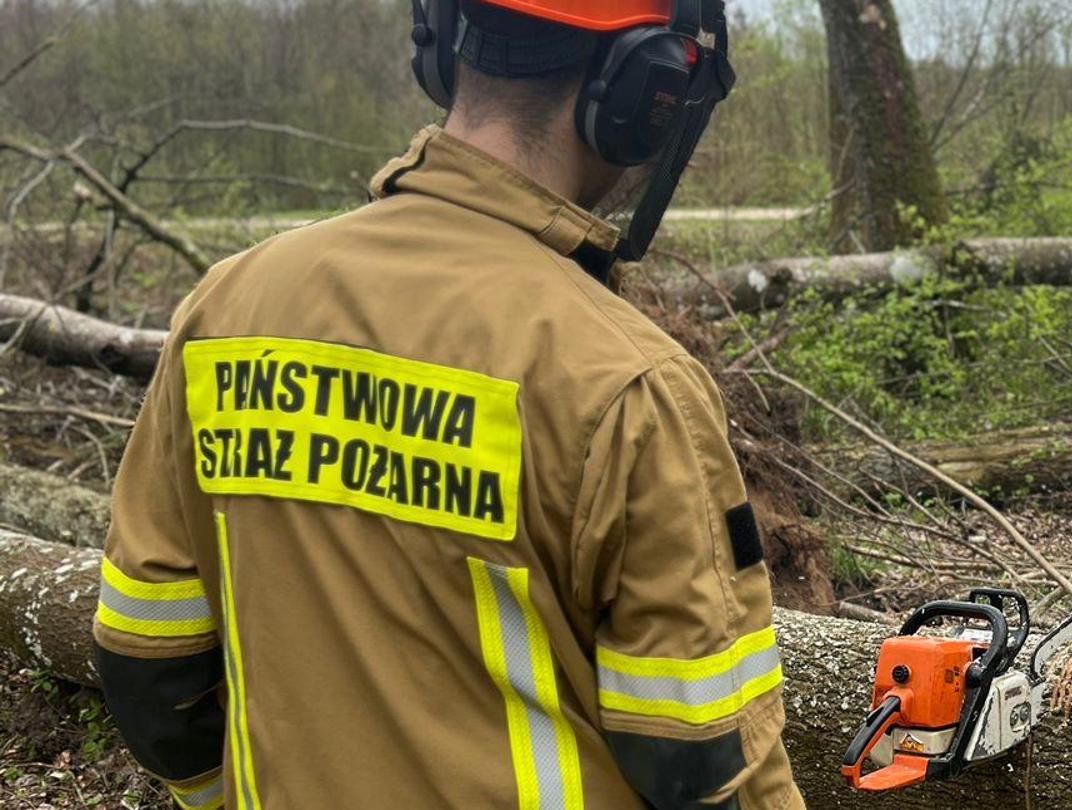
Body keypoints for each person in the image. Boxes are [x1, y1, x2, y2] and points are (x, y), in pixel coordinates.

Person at [90, 1, 804, 807]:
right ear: (645, 91)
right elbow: (704, 763)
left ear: (439, 45)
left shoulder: (225, 312)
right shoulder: (629, 386)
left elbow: (147, 665)